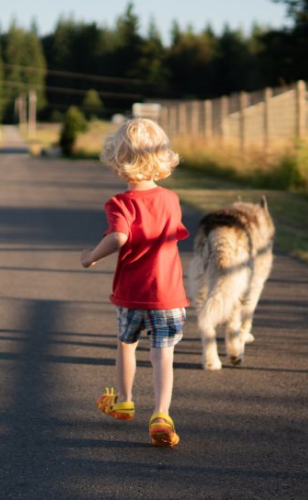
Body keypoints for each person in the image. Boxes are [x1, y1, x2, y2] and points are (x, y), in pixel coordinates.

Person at [80, 117, 189, 447]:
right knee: (163, 354)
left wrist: (92, 256)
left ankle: (125, 400)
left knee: (127, 344)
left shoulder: (120, 203)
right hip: (168, 293)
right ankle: (161, 413)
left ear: (117, 160)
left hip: (131, 293)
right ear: (162, 158)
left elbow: (119, 237)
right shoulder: (171, 199)